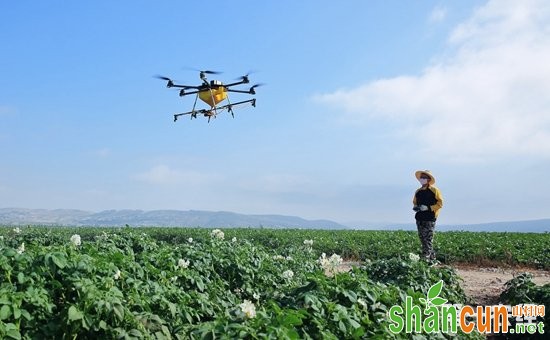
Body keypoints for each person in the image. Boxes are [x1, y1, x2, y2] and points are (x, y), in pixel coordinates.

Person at [412, 170, 443, 262]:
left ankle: (426, 257)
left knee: (428, 237)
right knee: (422, 237)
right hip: (420, 217)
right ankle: (432, 258)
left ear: (429, 179)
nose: (422, 179)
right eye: (421, 177)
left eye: (424, 177)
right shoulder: (418, 191)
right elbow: (414, 203)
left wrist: (428, 208)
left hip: (430, 217)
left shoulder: (434, 190)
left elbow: (440, 204)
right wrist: (416, 207)